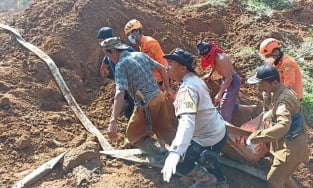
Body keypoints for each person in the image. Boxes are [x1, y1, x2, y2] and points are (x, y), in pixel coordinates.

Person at [100, 37, 176, 162]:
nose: (109, 58)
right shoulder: (140, 55)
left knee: (133, 134)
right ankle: (184, 154)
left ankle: (159, 157)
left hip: (145, 104)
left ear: (113, 51)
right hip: (159, 97)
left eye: (107, 55)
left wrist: (113, 121)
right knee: (165, 130)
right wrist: (167, 88)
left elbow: (120, 92)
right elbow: (162, 68)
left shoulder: (120, 66)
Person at [161, 48, 228, 187]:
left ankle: (207, 179)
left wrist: (176, 152)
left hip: (208, 138)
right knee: (208, 159)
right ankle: (221, 179)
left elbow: (187, 121)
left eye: (170, 63)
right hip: (218, 130)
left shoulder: (187, 89)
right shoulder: (195, 81)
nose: (166, 67)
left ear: (183, 68)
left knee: (180, 164)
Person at [246, 64, 308, 188]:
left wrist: (255, 137)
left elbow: (282, 127)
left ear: (274, 83)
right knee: (283, 178)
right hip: (291, 143)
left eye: (262, 84)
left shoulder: (283, 101)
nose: (260, 87)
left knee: (274, 181)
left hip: (291, 147)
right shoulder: (282, 91)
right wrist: (270, 105)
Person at [196, 41, 241, 123]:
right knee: (229, 102)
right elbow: (214, 65)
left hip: (232, 82)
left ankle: (226, 126)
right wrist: (209, 75)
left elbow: (229, 78)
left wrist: (220, 93)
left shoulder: (221, 59)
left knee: (224, 106)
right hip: (226, 80)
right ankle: (242, 110)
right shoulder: (214, 56)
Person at [96, 26, 134, 118]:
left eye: (101, 40)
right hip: (121, 83)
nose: (100, 43)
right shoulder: (109, 52)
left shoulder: (127, 50)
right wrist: (103, 68)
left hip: (131, 85)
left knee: (132, 106)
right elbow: (106, 60)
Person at [124, 19, 168, 87]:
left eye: (131, 34)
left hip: (160, 78)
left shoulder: (149, 42)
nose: (130, 37)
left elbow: (162, 60)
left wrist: (165, 82)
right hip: (153, 78)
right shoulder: (141, 45)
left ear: (136, 32)